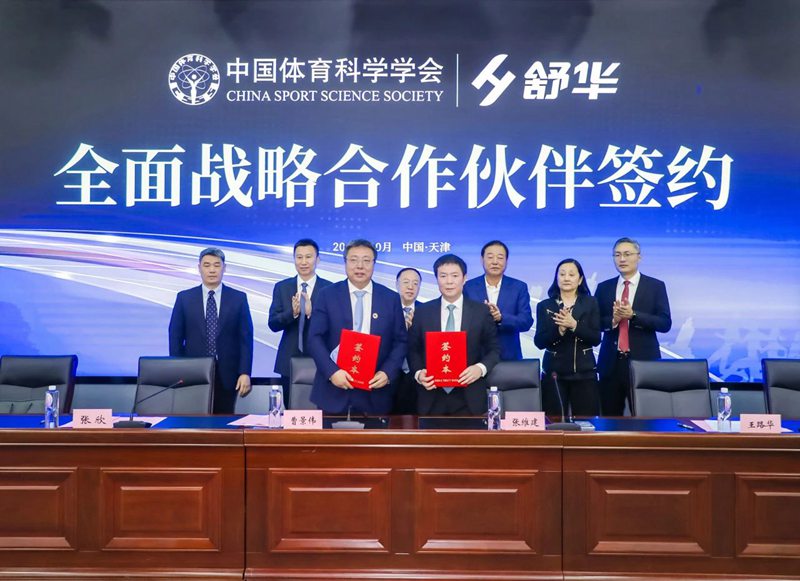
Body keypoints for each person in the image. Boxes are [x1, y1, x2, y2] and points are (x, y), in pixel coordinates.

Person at [306, 239, 407, 415]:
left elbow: (401, 341)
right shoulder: (327, 295)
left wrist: (387, 373)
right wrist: (332, 372)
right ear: (345, 262)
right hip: (333, 390)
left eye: (366, 260)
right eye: (353, 260)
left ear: (374, 264)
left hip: (376, 391)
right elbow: (314, 338)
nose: (360, 266)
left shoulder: (390, 298)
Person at [409, 254, 500, 416]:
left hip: (469, 395)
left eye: (455, 276)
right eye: (443, 276)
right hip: (431, 394)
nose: (449, 281)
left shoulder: (481, 311)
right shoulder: (422, 311)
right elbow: (412, 349)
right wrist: (418, 373)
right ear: (437, 279)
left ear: (464, 279)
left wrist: (480, 369)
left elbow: (495, 349)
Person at [169, 247, 254, 414]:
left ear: (224, 268)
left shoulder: (238, 298)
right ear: (199, 267)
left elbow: (245, 339)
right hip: (193, 373)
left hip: (228, 374)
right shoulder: (184, 298)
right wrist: (178, 370)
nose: (212, 270)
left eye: (217, 265)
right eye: (207, 265)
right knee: (192, 421)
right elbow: (175, 337)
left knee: (224, 421)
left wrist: (245, 372)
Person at [595, 237, 672, 416]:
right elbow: (595, 323)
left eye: (627, 254)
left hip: (644, 363)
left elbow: (664, 323)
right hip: (611, 364)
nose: (622, 259)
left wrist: (634, 316)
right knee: (609, 419)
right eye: (617, 255)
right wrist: (613, 321)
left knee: (646, 418)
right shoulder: (604, 287)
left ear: (639, 257)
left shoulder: (655, 286)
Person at [268, 239, 332, 407]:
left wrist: (312, 313)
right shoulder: (282, 287)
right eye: (299, 257)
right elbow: (273, 324)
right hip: (288, 361)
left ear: (318, 259)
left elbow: (335, 327)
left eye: (308, 257)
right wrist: (293, 313)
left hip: (321, 361)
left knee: (320, 411)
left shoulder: (330, 289)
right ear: (294, 259)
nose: (303, 262)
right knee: (292, 411)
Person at [534, 259, 601, 419]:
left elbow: (595, 338)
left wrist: (574, 325)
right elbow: (539, 342)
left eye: (571, 274)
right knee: (554, 424)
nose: (566, 278)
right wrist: (559, 330)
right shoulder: (545, 306)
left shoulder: (591, 303)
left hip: (585, 374)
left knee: (586, 423)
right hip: (554, 375)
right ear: (556, 278)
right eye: (562, 274)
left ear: (580, 279)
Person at [464, 240, 533, 360]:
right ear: (482, 259)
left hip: (509, 358)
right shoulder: (468, 287)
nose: (495, 262)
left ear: (506, 260)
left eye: (500, 257)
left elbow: (526, 322)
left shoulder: (519, 287)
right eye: (490, 257)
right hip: (476, 359)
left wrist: (501, 318)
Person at [394, 267, 423, 414]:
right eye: (406, 282)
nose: (410, 287)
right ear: (396, 284)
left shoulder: (426, 311)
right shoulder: (386, 309)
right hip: (391, 374)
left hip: (418, 376)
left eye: (415, 283)